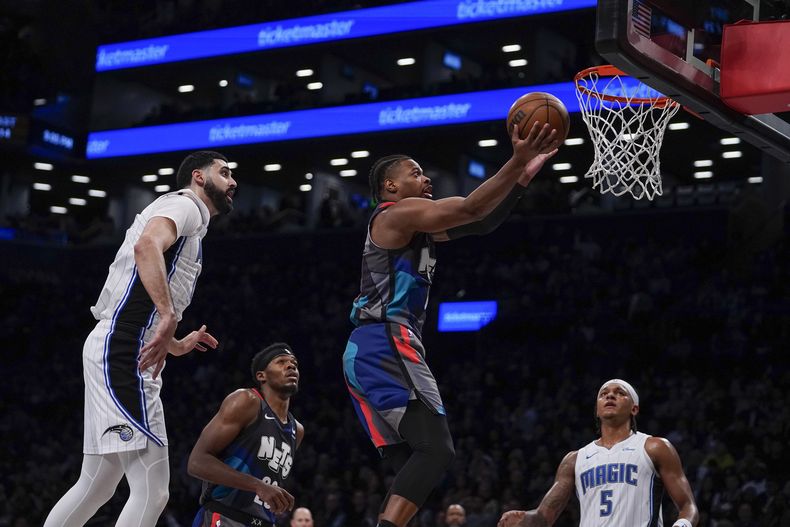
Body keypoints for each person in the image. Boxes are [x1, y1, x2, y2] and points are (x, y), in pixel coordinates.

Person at [342, 122, 559, 527]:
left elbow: (481, 223)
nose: (426, 179)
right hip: (386, 339)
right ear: (390, 186)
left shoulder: (415, 226)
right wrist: (516, 159)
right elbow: (471, 208)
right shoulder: (396, 213)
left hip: (368, 347)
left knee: (414, 464)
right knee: (437, 451)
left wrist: (524, 174)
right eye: (415, 173)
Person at [44, 151, 236, 527]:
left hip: (122, 345)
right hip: (122, 348)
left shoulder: (191, 226)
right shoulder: (187, 205)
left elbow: (142, 289)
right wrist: (167, 316)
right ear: (198, 177)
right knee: (153, 489)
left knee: (96, 485)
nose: (233, 182)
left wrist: (173, 340)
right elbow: (146, 246)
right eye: (224, 173)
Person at [498, 379, 699, 527]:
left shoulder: (654, 447)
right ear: (597, 410)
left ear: (634, 408)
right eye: (603, 394)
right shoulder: (574, 459)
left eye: (620, 392)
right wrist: (525, 519)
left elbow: (688, 506)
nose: (610, 395)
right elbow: (544, 516)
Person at [189, 343, 304, 526]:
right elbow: (197, 462)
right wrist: (258, 486)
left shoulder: (296, 430)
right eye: (281, 362)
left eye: (294, 363)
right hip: (226, 517)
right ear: (261, 375)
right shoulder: (246, 401)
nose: (291, 366)